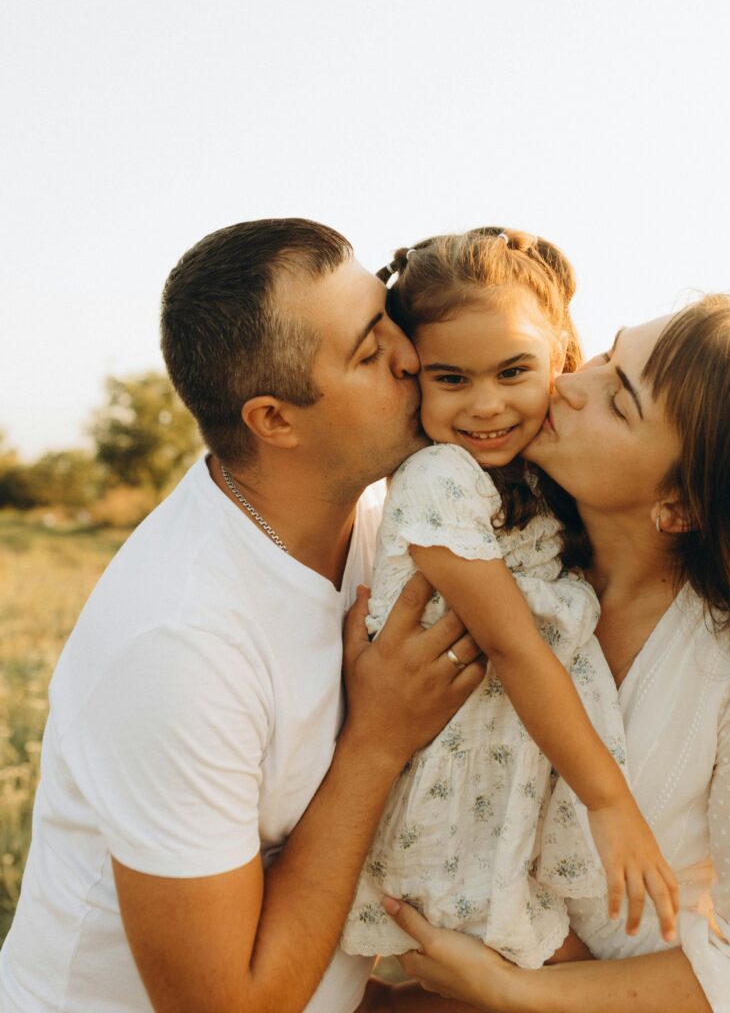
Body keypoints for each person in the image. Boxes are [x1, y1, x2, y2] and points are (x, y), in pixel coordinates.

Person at [0, 218, 487, 1013]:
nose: (410, 355)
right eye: (368, 352)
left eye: (387, 315)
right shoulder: (180, 643)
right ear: (274, 420)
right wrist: (375, 742)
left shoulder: (384, 521)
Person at [366, 294, 730, 1013]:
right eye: (606, 354)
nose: (568, 383)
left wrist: (517, 991)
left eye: (617, 400)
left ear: (678, 506)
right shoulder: (497, 547)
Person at [340, 228, 677, 969]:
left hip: (514, 772)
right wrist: (607, 802)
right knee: (520, 962)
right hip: (452, 779)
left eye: (513, 371)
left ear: (559, 354)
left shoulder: (536, 475)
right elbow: (512, 645)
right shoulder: (438, 481)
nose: (485, 405)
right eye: (450, 379)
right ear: (411, 374)